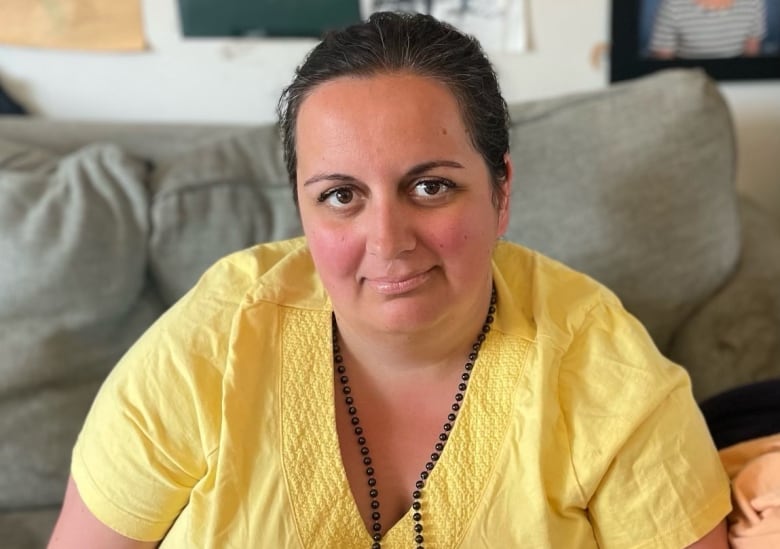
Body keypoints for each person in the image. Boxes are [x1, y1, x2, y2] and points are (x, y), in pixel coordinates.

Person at [49, 11, 731, 548]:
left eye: (430, 186)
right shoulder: (212, 342)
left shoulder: (604, 366)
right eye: (341, 196)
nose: (388, 241)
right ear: (302, 212)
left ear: (501, 192)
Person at [649, 0, 767, 59]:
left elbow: (752, 53)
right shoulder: (673, 4)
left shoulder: (753, 2)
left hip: (736, 78)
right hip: (687, 80)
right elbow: (663, 59)